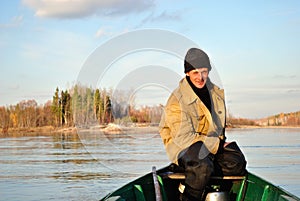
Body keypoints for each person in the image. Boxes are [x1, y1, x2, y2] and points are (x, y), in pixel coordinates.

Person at [159, 48, 246, 201]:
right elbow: (184, 138)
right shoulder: (176, 100)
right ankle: (189, 194)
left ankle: (197, 179)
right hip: (183, 147)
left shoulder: (216, 94)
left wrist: (223, 146)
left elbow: (218, 129)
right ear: (187, 73)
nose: (200, 77)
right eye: (195, 73)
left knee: (237, 163)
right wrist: (218, 145)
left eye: (204, 72)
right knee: (202, 166)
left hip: (209, 146)